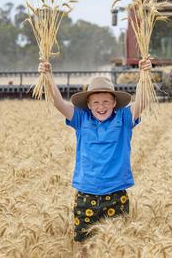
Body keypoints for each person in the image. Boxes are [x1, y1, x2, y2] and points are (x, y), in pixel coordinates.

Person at [37, 57, 151, 255]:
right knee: (85, 246)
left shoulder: (124, 118)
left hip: (116, 193)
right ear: (88, 105)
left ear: (115, 103)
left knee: (116, 245)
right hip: (86, 194)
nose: (101, 106)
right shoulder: (80, 119)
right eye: (96, 102)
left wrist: (144, 74)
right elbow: (57, 102)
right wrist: (47, 76)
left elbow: (141, 103)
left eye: (106, 101)